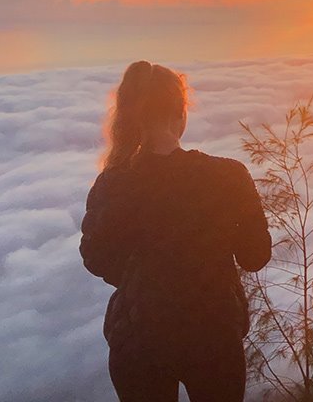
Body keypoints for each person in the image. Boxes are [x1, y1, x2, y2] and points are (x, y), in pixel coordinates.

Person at [81, 60, 271, 402]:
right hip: (214, 336)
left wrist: (142, 273)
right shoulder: (228, 176)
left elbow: (97, 261)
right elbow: (255, 256)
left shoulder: (113, 182)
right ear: (181, 113)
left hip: (138, 338)